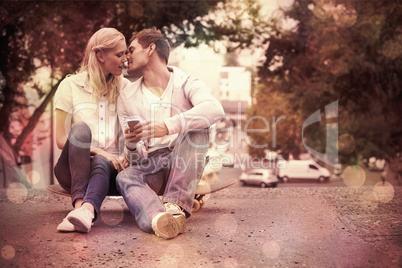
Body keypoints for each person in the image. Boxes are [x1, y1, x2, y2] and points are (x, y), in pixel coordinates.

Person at [117, 28, 225, 239]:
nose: (126, 57)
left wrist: (168, 126)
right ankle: (160, 220)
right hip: (152, 164)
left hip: (183, 161)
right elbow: (137, 159)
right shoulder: (126, 96)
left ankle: (175, 207)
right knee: (124, 177)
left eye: (131, 50)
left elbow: (214, 109)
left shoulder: (186, 82)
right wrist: (131, 145)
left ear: (150, 49)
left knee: (200, 125)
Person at [54, 27, 130, 233]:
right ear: (100, 55)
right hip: (72, 170)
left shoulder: (126, 87)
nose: (125, 59)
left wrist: (124, 154)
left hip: (110, 172)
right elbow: (61, 140)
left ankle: (83, 213)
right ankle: (79, 205)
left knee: (101, 161)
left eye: (126, 53)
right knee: (80, 130)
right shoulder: (69, 85)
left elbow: (133, 130)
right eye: (120, 54)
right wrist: (99, 150)